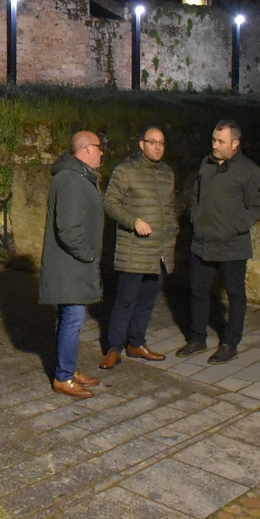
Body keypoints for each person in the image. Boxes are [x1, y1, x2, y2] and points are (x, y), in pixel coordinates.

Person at [177, 120, 260, 364]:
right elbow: (196, 194)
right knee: (198, 291)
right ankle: (197, 338)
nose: (214, 145)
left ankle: (230, 344)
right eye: (214, 140)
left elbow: (258, 208)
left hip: (232, 245)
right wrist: (195, 217)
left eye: (221, 142)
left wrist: (234, 228)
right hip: (202, 241)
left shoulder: (248, 170)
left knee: (235, 295)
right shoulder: (206, 163)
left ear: (235, 144)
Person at [99, 126, 178, 370]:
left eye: (162, 143)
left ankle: (136, 343)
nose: (158, 147)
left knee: (147, 301)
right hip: (134, 249)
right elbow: (110, 202)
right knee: (125, 301)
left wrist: (172, 227)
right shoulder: (126, 170)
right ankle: (114, 348)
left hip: (159, 251)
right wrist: (134, 221)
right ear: (141, 144)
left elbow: (170, 207)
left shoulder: (166, 173)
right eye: (152, 142)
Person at [39, 130, 106, 398]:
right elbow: (68, 229)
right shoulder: (71, 180)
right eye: (100, 148)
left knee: (69, 317)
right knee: (73, 318)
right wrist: (89, 254)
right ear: (87, 149)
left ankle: (67, 368)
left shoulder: (77, 178)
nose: (102, 153)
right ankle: (63, 377)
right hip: (71, 265)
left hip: (72, 265)